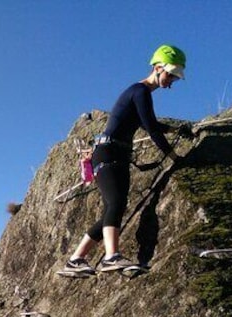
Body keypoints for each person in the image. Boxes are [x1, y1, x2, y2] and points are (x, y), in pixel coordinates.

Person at [64, 44, 193, 276]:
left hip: (112, 154)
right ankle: (111, 257)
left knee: (111, 209)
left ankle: (75, 259)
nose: (172, 79)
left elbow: (146, 123)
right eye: (170, 73)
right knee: (117, 203)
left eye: (175, 76)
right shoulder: (140, 91)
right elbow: (152, 129)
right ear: (157, 67)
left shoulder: (139, 94)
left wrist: (174, 130)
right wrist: (174, 156)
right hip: (110, 153)